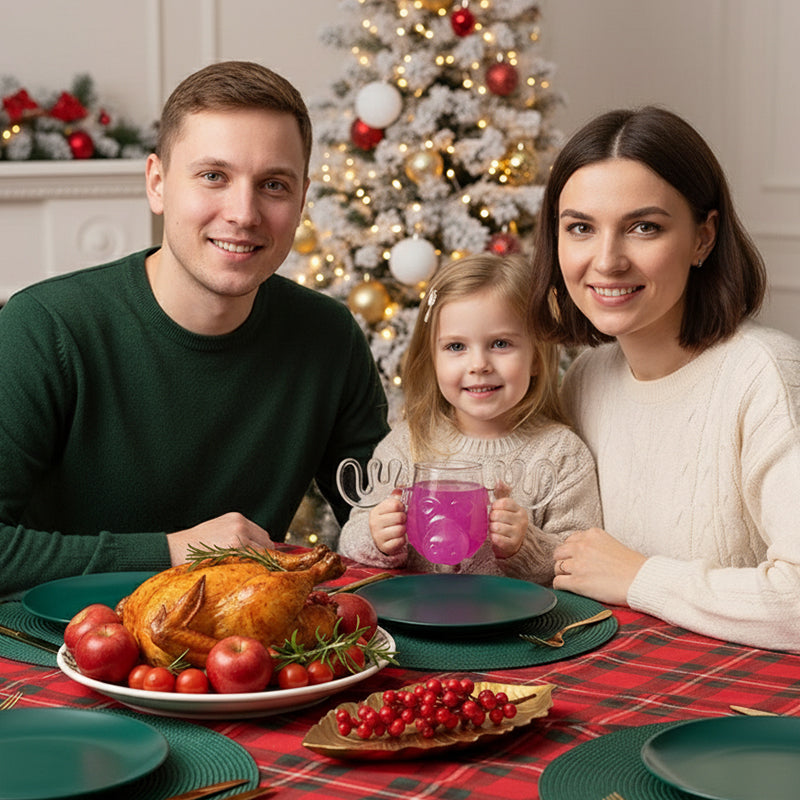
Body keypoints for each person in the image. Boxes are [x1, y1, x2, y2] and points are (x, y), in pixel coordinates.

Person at [0, 61, 389, 595]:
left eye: (274, 185)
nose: (244, 213)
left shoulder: (328, 336)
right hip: (58, 636)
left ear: (301, 200)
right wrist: (172, 551)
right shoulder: (44, 329)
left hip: (249, 638)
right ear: (157, 184)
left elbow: (376, 524)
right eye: (213, 177)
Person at [529, 105, 800, 651]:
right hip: (625, 672)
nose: (607, 260)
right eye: (581, 228)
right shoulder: (586, 378)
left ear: (703, 238)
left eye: (643, 227)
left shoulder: (765, 375)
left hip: (744, 690)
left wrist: (640, 577)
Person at [338, 253, 602, 583]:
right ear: (432, 359)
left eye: (501, 344)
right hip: (413, 611)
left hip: (513, 616)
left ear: (536, 357)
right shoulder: (406, 444)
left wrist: (525, 545)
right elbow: (350, 539)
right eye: (455, 347)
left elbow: (579, 561)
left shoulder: (561, 454)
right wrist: (377, 537)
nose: (478, 365)